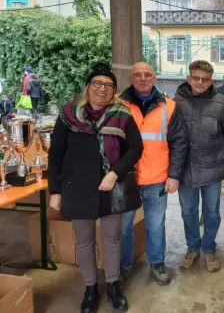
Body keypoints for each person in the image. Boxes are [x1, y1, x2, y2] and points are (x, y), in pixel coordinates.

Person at [48, 63, 143, 313]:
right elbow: (56, 154)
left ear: (114, 91)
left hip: (111, 187)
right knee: (84, 240)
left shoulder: (122, 115)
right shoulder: (68, 115)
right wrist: (55, 191)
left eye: (109, 85)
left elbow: (135, 148)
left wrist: (114, 173)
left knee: (112, 238)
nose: (102, 89)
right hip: (76, 186)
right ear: (88, 87)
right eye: (97, 83)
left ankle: (112, 285)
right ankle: (91, 288)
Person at [119, 62, 188, 286]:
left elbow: (179, 143)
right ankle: (123, 266)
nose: (143, 78)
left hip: (156, 178)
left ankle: (157, 263)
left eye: (147, 74)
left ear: (155, 78)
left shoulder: (169, 106)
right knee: (124, 225)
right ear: (131, 77)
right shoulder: (117, 105)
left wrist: (174, 175)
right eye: (137, 75)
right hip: (125, 177)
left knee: (156, 224)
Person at [174, 60, 224, 272]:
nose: (200, 82)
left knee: (211, 211)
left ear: (211, 80)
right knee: (188, 211)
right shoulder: (176, 103)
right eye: (196, 78)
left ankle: (209, 248)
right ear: (188, 78)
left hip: (212, 169)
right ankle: (193, 247)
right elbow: (172, 136)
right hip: (185, 169)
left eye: (205, 79)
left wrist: (215, 152)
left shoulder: (222, 103)